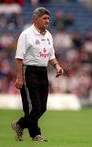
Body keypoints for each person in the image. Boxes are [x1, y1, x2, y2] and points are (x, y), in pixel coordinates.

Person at [12, 7, 64, 142]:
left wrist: (57, 66)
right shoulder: (26, 34)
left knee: (42, 107)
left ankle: (19, 125)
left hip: (42, 71)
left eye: (48, 18)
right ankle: (35, 134)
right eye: (44, 18)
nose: (48, 20)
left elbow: (51, 55)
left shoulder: (48, 35)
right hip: (28, 71)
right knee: (33, 107)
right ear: (35, 19)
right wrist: (19, 77)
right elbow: (19, 57)